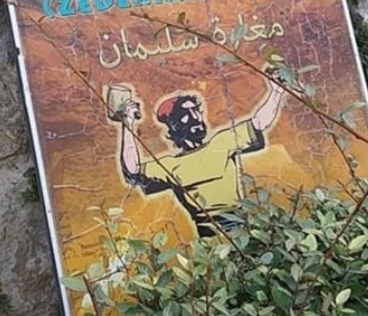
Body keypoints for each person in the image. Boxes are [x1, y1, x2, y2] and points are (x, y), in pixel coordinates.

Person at [113, 76, 286, 239]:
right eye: (186, 114)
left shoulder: (222, 143)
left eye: (196, 112)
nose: (195, 118)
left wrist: (277, 91)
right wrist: (127, 122)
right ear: (174, 125)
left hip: (240, 231)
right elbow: (133, 170)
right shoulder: (170, 166)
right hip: (208, 240)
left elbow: (259, 122)